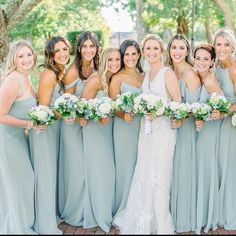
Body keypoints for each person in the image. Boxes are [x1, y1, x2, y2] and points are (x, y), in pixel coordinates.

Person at [113, 34, 181, 234]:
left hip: (163, 131)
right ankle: (141, 218)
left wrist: (159, 111)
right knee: (143, 172)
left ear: (161, 51)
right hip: (146, 131)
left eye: (155, 48)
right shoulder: (146, 74)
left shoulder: (167, 73)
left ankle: (160, 224)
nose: (151, 52)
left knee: (159, 175)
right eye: (148, 49)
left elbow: (177, 102)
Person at [29, 36, 71, 234]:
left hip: (55, 130)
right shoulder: (49, 74)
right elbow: (44, 108)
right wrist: (65, 112)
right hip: (44, 131)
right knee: (45, 175)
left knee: (51, 174)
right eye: (57, 51)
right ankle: (45, 223)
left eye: (64, 49)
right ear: (50, 55)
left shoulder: (62, 72)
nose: (62, 54)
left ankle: (50, 215)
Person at [58, 31, 99, 227]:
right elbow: (66, 103)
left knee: (89, 167)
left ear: (97, 48)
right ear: (79, 49)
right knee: (76, 169)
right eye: (85, 46)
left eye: (92, 46)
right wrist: (78, 116)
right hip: (72, 126)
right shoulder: (72, 72)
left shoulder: (99, 68)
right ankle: (74, 210)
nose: (89, 50)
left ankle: (88, 207)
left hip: (92, 128)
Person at [0, 40, 40, 234]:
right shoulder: (13, 80)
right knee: (22, 181)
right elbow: (0, 115)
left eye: (28, 54)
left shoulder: (27, 78)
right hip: (8, 140)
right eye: (21, 56)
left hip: (19, 139)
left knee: (24, 181)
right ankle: (18, 228)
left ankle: (22, 223)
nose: (26, 59)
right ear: (14, 59)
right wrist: (30, 124)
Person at [80, 47, 121, 233]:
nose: (114, 63)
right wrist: (98, 116)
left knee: (109, 172)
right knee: (100, 171)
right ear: (103, 60)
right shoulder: (96, 80)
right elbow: (82, 110)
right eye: (110, 60)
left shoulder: (114, 79)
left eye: (117, 60)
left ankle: (108, 209)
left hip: (109, 130)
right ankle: (99, 213)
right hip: (95, 131)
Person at [165, 34, 201, 233]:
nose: (177, 52)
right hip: (169, 129)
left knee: (183, 170)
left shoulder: (190, 74)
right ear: (169, 50)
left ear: (187, 51)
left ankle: (184, 216)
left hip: (185, 131)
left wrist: (181, 118)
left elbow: (195, 106)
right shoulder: (168, 71)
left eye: (181, 48)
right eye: (174, 48)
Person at [109, 39, 143, 218]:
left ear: (139, 55)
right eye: (127, 54)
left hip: (143, 128)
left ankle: (138, 204)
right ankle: (123, 207)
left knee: (140, 165)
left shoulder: (143, 75)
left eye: (134, 53)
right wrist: (124, 115)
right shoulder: (117, 78)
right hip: (125, 127)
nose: (130, 57)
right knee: (126, 165)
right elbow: (113, 106)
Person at [193, 43, 223, 234]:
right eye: (198, 58)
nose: (201, 62)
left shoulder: (210, 81)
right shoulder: (198, 77)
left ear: (212, 62)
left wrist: (205, 117)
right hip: (200, 131)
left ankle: (207, 215)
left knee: (206, 169)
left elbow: (221, 106)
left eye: (206, 59)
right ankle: (201, 212)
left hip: (209, 132)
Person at [214, 27, 236, 230]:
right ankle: (219, 212)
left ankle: (230, 213)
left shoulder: (234, 69)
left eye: (226, 44)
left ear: (232, 47)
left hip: (231, 124)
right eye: (219, 44)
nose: (222, 48)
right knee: (219, 167)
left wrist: (226, 112)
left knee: (230, 168)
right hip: (216, 124)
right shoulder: (214, 68)